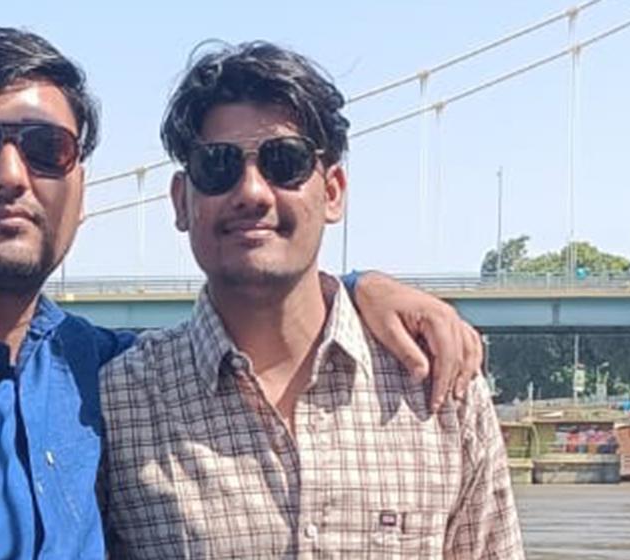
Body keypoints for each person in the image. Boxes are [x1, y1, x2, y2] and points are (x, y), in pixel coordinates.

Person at [0, 28, 484, 559]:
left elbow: (261, 313)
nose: (11, 176)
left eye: (45, 150)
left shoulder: (96, 371)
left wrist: (360, 289)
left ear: (79, 187)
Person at [99, 41, 523, 558]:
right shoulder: (116, 403)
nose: (253, 192)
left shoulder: (440, 386)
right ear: (181, 202)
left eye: (285, 162)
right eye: (217, 167)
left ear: (335, 191)